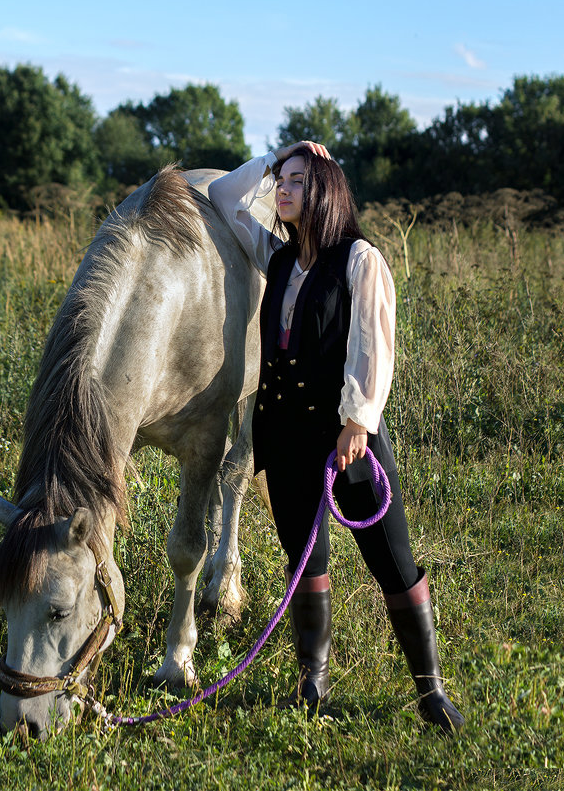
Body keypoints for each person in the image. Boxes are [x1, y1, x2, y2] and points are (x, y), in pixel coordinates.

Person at [208, 142, 464, 733]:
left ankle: (430, 692)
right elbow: (224, 196)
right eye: (282, 181)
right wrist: (276, 155)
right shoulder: (276, 256)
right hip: (286, 438)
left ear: (324, 191)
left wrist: (358, 421)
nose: (283, 190)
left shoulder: (359, 259)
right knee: (306, 561)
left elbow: (372, 344)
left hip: (349, 440)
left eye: (297, 180)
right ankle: (312, 685)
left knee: (393, 562)